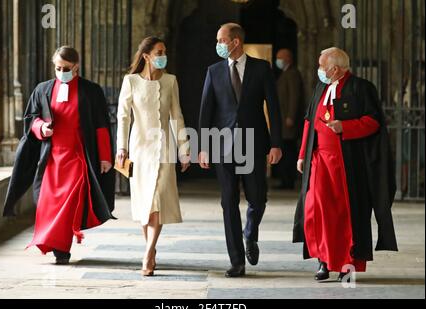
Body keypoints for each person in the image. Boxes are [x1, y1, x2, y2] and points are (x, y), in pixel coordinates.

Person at [294, 47, 398, 282]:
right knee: (317, 211)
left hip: (346, 164)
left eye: (322, 66)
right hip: (319, 161)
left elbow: (373, 122)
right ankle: (323, 260)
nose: (319, 70)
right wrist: (302, 154)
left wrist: (345, 127)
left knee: (344, 215)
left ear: (336, 68)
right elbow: (309, 122)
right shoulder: (320, 87)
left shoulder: (361, 88)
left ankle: (346, 264)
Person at [4, 46, 116, 264]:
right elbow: (32, 118)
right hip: (51, 158)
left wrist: (105, 156)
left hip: (78, 157)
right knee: (49, 203)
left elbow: (102, 125)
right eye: (58, 67)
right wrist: (41, 128)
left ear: (76, 66)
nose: (61, 71)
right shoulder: (42, 89)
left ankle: (61, 249)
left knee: (68, 203)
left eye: (66, 68)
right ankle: (56, 244)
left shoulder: (91, 91)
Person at [198, 23, 283, 278]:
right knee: (228, 202)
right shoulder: (213, 71)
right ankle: (236, 261)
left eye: (221, 40)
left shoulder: (261, 69)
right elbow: (206, 111)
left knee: (258, 198)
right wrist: (203, 148)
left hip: (254, 144)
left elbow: (274, 108)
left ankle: (250, 233)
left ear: (235, 42)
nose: (218, 44)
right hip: (223, 145)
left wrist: (276, 143)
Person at [116, 36, 190, 276]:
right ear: (146, 56)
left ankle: (148, 253)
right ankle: (151, 247)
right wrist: (121, 148)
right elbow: (123, 117)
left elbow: (177, 116)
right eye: (159, 52)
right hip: (139, 148)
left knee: (157, 198)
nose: (163, 55)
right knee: (144, 202)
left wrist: (184, 149)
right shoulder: (131, 82)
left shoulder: (171, 81)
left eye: (164, 51)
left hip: (165, 148)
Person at [273, 48, 305, 189]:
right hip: (284, 119)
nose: (278, 61)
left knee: (288, 151)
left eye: (280, 58)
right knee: (286, 150)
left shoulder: (292, 74)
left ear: (288, 59)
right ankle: (285, 179)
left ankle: (288, 181)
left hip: (288, 120)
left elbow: (294, 97)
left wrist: (291, 116)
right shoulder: (286, 73)